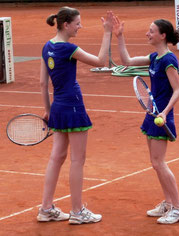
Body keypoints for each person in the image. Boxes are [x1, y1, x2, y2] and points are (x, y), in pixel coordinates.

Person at [37, 6, 113, 224]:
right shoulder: (69, 48)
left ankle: (45, 208)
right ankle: (78, 212)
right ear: (66, 24)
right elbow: (100, 62)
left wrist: (49, 111)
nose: (80, 26)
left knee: (56, 157)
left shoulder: (47, 47)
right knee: (77, 160)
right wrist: (107, 32)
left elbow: (43, 83)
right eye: (78, 23)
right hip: (73, 107)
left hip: (58, 108)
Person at [113, 16, 179, 224]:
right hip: (152, 115)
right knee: (155, 163)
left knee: (159, 162)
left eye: (151, 31)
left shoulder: (168, 60)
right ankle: (168, 202)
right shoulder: (155, 57)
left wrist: (164, 112)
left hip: (162, 116)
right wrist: (119, 37)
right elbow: (126, 62)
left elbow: (178, 90)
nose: (148, 33)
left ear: (162, 35)